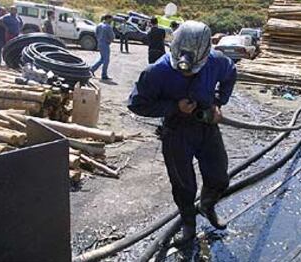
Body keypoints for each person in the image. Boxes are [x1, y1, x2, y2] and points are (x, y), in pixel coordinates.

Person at [128, 21, 237, 245]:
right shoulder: (157, 71)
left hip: (207, 126)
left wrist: (218, 102)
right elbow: (137, 104)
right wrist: (173, 107)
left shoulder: (215, 61)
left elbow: (230, 73)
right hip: (176, 131)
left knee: (219, 176)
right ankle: (189, 223)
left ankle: (207, 206)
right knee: (184, 184)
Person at [90, 14, 114, 80]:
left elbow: (96, 33)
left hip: (100, 43)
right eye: (111, 19)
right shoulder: (108, 27)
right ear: (108, 19)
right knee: (106, 60)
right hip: (105, 44)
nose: (112, 20)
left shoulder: (99, 25)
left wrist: (99, 39)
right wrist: (109, 41)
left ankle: (91, 70)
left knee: (102, 59)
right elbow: (112, 36)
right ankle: (104, 75)